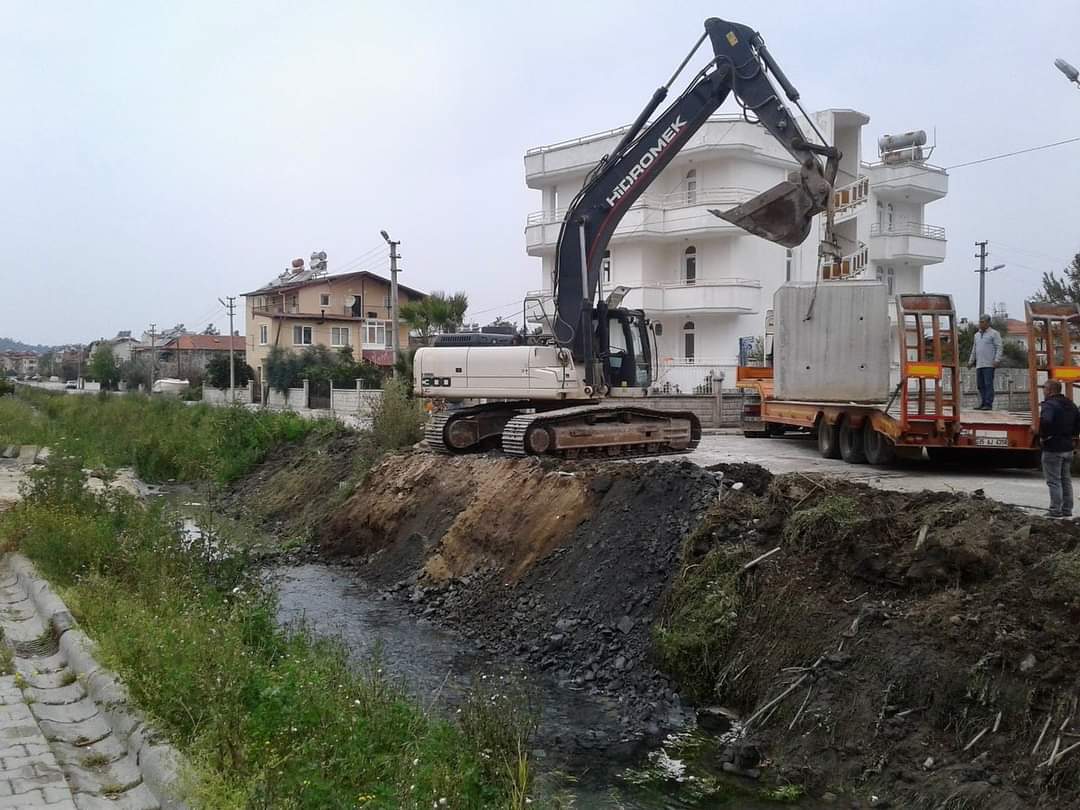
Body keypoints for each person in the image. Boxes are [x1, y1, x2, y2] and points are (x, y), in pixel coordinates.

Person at [1038, 379, 1080, 518]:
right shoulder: (1071, 404)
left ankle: (1055, 510)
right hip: (1067, 447)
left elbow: (1046, 421)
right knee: (1065, 480)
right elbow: (1077, 424)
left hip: (1053, 448)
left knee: (1054, 481)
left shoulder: (1049, 405)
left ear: (1050, 390)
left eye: (1044, 388)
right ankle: (1067, 509)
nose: (1043, 390)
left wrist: (1043, 436)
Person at [968, 315, 1003, 410]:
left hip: (989, 364)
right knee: (980, 385)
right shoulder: (977, 335)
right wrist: (971, 361)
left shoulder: (994, 333)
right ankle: (983, 403)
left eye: (982, 322)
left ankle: (988, 404)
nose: (980, 324)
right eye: (980, 322)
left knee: (988, 384)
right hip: (979, 364)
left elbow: (999, 347)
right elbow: (974, 349)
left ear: (988, 323)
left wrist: (997, 360)